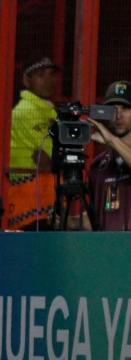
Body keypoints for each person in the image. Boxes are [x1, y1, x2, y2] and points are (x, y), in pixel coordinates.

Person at [82, 80, 131, 230]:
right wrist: (71, 222)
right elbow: (96, 219)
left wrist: (112, 141)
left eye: (125, 109)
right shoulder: (98, 164)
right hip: (107, 249)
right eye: (113, 109)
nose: (118, 116)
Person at [5, 57, 60, 230]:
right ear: (27, 80)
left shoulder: (49, 111)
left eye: (51, 74)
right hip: (29, 207)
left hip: (44, 205)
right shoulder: (25, 111)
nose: (48, 80)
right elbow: (49, 157)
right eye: (41, 75)